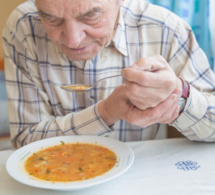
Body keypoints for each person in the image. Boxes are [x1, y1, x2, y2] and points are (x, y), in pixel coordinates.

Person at [2, 0, 215, 149]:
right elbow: (25, 140)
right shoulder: (24, 28)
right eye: (52, 19)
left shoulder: (167, 29)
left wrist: (179, 95)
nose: (73, 40)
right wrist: (106, 112)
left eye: (91, 15)